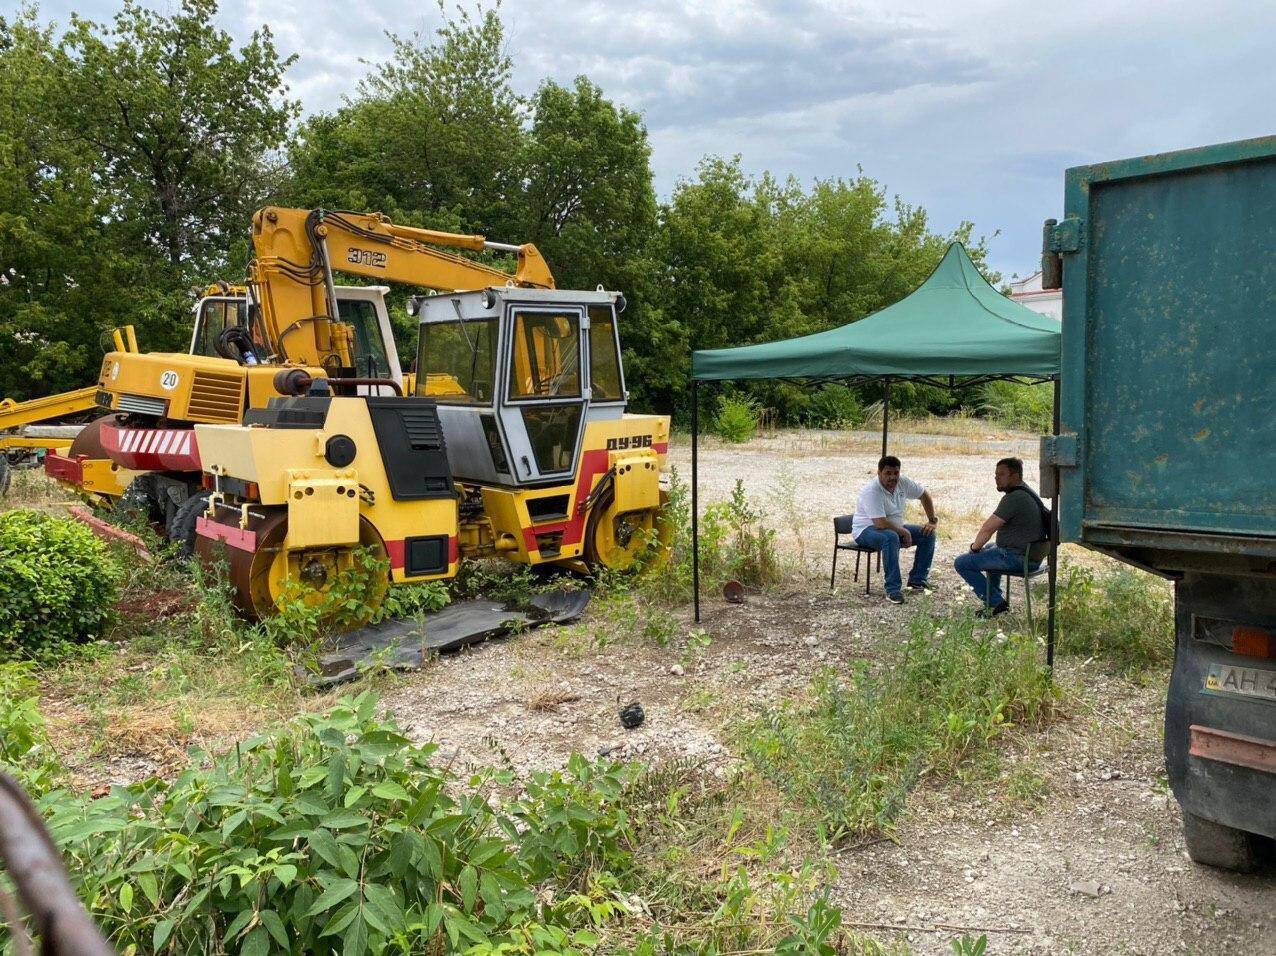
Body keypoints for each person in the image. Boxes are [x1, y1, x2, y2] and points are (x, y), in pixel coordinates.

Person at [954, 457, 1049, 616]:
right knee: (991, 547)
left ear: (1015, 476)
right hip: (1031, 556)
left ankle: (995, 602)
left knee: (962, 562)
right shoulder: (1027, 492)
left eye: (1001, 474)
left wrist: (974, 548)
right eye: (996, 474)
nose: (996, 478)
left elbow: (987, 529)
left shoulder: (1014, 498)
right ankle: (994, 597)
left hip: (1019, 558)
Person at [850, 455, 937, 605]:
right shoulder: (872, 491)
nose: (892, 477)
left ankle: (918, 580)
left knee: (928, 534)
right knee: (890, 537)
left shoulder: (903, 482)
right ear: (879, 473)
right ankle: (893, 589)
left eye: (896, 473)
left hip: (894, 528)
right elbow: (880, 523)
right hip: (866, 531)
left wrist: (931, 521)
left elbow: (924, 495)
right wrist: (904, 532)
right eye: (888, 473)